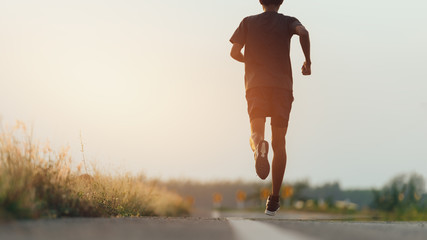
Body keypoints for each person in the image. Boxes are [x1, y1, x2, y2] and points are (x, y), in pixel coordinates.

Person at [229, 0, 311, 216]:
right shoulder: (288, 22)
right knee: (280, 142)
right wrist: (307, 62)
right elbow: (303, 33)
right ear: (281, 1)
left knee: (256, 132)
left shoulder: (247, 23)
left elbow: (234, 52)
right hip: (282, 87)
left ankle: (258, 148)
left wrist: (252, 61)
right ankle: (273, 199)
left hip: (256, 85)